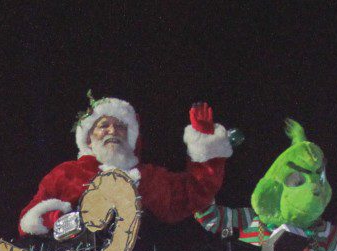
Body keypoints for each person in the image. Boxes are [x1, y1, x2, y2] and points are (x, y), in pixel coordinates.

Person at [19, 96, 233, 239]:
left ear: (130, 137)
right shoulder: (66, 174)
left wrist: (205, 143)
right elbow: (28, 221)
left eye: (120, 126)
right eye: (103, 125)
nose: (113, 131)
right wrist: (57, 220)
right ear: (88, 137)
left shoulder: (149, 178)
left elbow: (195, 192)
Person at [195, 119, 337, 251]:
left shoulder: (324, 234)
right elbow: (208, 216)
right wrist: (210, 168)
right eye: (298, 180)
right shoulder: (254, 222)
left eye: (317, 180)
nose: (312, 188)